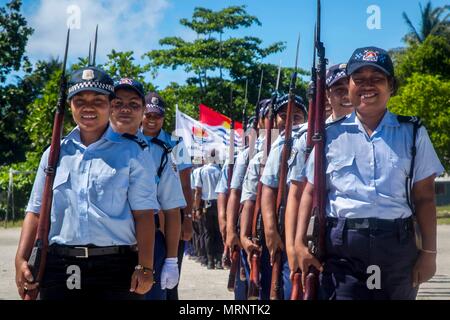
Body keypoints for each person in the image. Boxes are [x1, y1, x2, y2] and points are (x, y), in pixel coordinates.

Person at [295, 47, 444, 300]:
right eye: (359, 79)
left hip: (396, 248)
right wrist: (298, 242)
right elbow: (310, 190)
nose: (367, 86)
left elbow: (425, 198)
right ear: (350, 85)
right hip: (342, 250)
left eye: (377, 78)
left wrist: (429, 254)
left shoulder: (413, 132)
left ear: (391, 86)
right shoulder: (329, 135)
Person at [15, 67, 159, 300]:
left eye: (98, 100)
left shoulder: (133, 153)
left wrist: (145, 267)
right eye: (79, 100)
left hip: (116, 267)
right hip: (59, 267)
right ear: (70, 105)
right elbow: (35, 212)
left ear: (111, 105)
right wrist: (21, 259)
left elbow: (144, 215)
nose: (88, 107)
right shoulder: (53, 154)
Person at [284, 63, 353, 281]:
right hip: (314, 233)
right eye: (337, 88)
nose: (345, 94)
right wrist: (294, 245)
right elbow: (297, 193)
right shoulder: (309, 137)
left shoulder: (373, 128)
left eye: (348, 86)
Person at [140, 91, 193, 300]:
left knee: (169, 275)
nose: (152, 120)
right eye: (148, 115)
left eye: (157, 116)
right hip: (145, 216)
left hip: (173, 216)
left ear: (164, 117)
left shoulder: (176, 143)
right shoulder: (131, 140)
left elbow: (186, 184)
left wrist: (188, 218)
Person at [193, 149, 223, 269]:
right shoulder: (220, 171)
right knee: (218, 233)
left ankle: (210, 260)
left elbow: (198, 192)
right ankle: (219, 259)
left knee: (207, 233)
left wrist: (196, 208)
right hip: (219, 205)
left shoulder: (201, 172)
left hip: (206, 204)